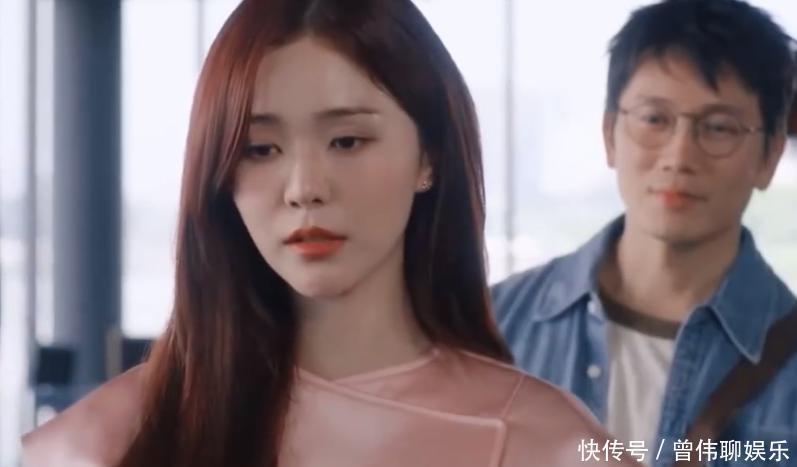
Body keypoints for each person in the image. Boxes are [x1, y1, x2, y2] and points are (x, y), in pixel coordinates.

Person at [21, 1, 632, 466]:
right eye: (260, 149)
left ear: (429, 157)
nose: (304, 187)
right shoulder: (96, 444)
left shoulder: (553, 442)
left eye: (347, 141)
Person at [492, 0, 797, 465]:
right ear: (610, 133)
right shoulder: (494, 325)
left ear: (770, 156)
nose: (679, 156)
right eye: (655, 119)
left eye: (719, 128)